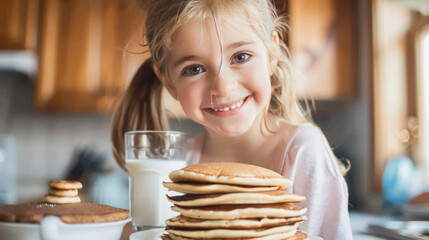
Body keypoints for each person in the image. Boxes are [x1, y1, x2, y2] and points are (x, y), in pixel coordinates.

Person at [111, 0, 352, 239]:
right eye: (194, 69)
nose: (223, 87)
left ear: (272, 53)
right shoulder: (182, 168)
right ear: (169, 83)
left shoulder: (303, 152)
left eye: (241, 57)